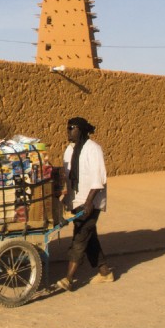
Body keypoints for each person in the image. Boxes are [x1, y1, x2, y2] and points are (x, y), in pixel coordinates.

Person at [55, 116, 113, 291]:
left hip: (91, 201)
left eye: (71, 128)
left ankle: (69, 278)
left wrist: (89, 203)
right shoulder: (69, 151)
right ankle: (105, 272)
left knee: (80, 236)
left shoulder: (93, 149)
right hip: (77, 199)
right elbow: (68, 177)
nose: (68, 131)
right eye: (67, 128)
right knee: (89, 237)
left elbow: (98, 178)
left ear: (80, 130)